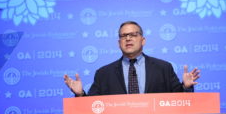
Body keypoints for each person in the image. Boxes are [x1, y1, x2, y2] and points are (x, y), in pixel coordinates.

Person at [64, 21, 200, 96]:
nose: (128, 38)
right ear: (119, 43)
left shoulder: (163, 68)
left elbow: (178, 100)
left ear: (143, 40)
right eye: (123, 36)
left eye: (133, 34)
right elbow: (92, 106)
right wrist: (80, 94)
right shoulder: (104, 73)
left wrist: (186, 87)